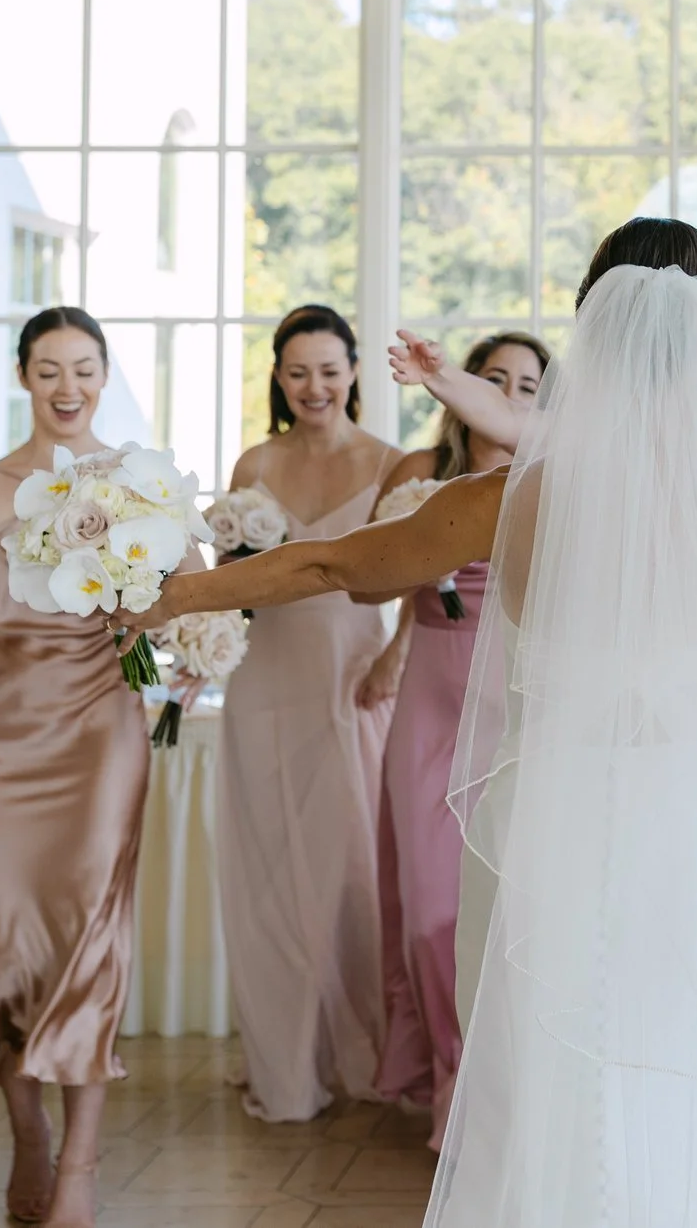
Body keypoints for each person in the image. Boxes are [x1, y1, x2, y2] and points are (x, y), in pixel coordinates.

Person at [118, 206, 697, 1227]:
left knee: (551, 1080)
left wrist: (172, 596)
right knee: (678, 1075)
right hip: (696, 825)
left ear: (590, 330)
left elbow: (334, 563)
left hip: (555, 826)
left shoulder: (510, 498)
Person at [0, 307, 183, 1228]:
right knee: (9, 935)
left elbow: (189, 596)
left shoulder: (141, 482)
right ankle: (27, 1133)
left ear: (105, 374)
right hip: (0, 737)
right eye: (49, 368)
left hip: (103, 731)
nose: (68, 387)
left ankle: (83, 1167)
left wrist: (192, 636)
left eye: (84, 368)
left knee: (90, 931)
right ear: (22, 375)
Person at [361, 332, 551, 1150]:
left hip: (512, 692)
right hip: (432, 691)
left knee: (501, 904)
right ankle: (449, 1075)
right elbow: (373, 578)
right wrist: (396, 646)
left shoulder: (549, 482)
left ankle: (491, 1088)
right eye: (496, 378)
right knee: (429, 909)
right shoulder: (416, 477)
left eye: (529, 384)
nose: (510, 393)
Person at [214, 303, 404, 1121]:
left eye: (329, 369)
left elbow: (405, 580)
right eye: (298, 371)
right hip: (265, 680)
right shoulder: (254, 461)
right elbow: (231, 583)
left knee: (348, 875)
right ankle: (284, 1065)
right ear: (278, 378)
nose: (314, 386)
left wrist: (393, 662)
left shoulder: (394, 464)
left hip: (350, 677)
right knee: (269, 876)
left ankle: (363, 1054)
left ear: (354, 371)